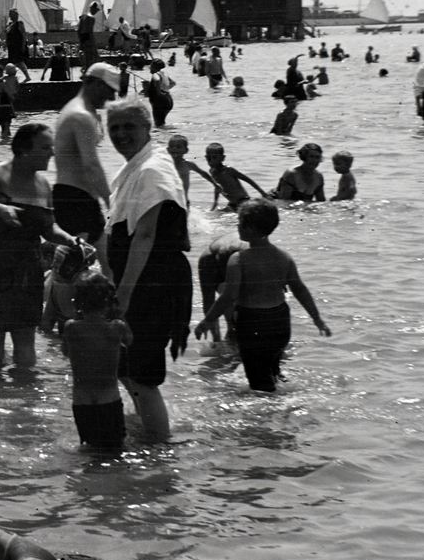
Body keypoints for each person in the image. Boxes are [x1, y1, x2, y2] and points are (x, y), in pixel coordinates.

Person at [104, 96, 193, 441]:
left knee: (141, 373)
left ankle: (159, 450)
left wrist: (123, 294)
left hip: (152, 282)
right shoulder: (136, 167)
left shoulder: (152, 169)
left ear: (148, 127)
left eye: (129, 126)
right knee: (124, 367)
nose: (121, 134)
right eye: (114, 128)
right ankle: (147, 428)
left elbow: (145, 236)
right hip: (138, 279)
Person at [0, 122, 79, 367]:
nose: (51, 153)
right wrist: (2, 209)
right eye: (45, 148)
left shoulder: (43, 185)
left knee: (25, 338)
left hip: (25, 269)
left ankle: (24, 400)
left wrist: (68, 239)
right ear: (24, 149)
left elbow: (49, 228)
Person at [195, 198, 331, 391]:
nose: (236, 225)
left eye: (240, 223)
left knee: (259, 385)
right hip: (281, 323)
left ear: (248, 228)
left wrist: (208, 320)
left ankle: (264, 418)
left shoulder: (239, 258)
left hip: (252, 325)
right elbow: (299, 288)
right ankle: (286, 408)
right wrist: (317, 318)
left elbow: (229, 296)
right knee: (273, 372)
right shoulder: (283, 256)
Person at [59, 273, 131, 449]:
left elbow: (65, 352)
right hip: (108, 400)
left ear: (77, 301)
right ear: (108, 301)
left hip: (81, 402)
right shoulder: (116, 328)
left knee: (89, 448)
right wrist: (119, 314)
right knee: (115, 451)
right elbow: (129, 340)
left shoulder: (71, 328)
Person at [54, 64, 120, 251]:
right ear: (97, 84)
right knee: (70, 269)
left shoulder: (75, 110)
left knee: (106, 266)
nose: (111, 98)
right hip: (76, 201)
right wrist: (110, 202)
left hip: (76, 198)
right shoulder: (81, 116)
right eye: (110, 91)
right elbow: (91, 165)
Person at [204, 143, 271, 209]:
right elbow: (217, 188)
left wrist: (263, 193)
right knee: (216, 215)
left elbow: (248, 180)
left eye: (214, 157)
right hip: (232, 203)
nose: (211, 161)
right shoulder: (212, 172)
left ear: (222, 158)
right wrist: (215, 202)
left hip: (243, 200)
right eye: (208, 158)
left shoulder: (228, 170)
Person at [165, 134, 219, 206]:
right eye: (172, 146)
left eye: (178, 147)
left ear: (186, 150)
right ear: (168, 150)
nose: (174, 149)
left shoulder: (188, 165)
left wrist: (215, 184)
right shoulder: (165, 165)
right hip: (168, 200)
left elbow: (203, 173)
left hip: (184, 201)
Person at [141, 59, 175, 127]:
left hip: (160, 101)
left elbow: (157, 80)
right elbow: (173, 83)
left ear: (154, 67)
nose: (149, 68)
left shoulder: (155, 74)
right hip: (168, 99)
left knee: (158, 124)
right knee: (161, 122)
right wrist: (164, 89)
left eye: (150, 66)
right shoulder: (164, 74)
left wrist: (159, 92)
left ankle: (160, 137)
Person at [3, 9, 30, 80]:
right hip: (11, 47)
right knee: (12, 62)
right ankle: (12, 77)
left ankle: (27, 76)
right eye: (10, 14)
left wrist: (23, 45)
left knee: (19, 61)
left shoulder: (19, 24)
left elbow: (24, 35)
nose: (10, 16)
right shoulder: (10, 25)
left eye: (12, 14)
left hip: (17, 46)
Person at [77, 1, 102, 67]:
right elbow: (90, 32)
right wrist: (94, 45)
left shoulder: (82, 17)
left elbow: (79, 31)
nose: (96, 12)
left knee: (86, 60)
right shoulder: (91, 19)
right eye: (96, 10)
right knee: (92, 59)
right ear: (92, 9)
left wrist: (81, 43)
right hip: (89, 41)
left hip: (83, 40)